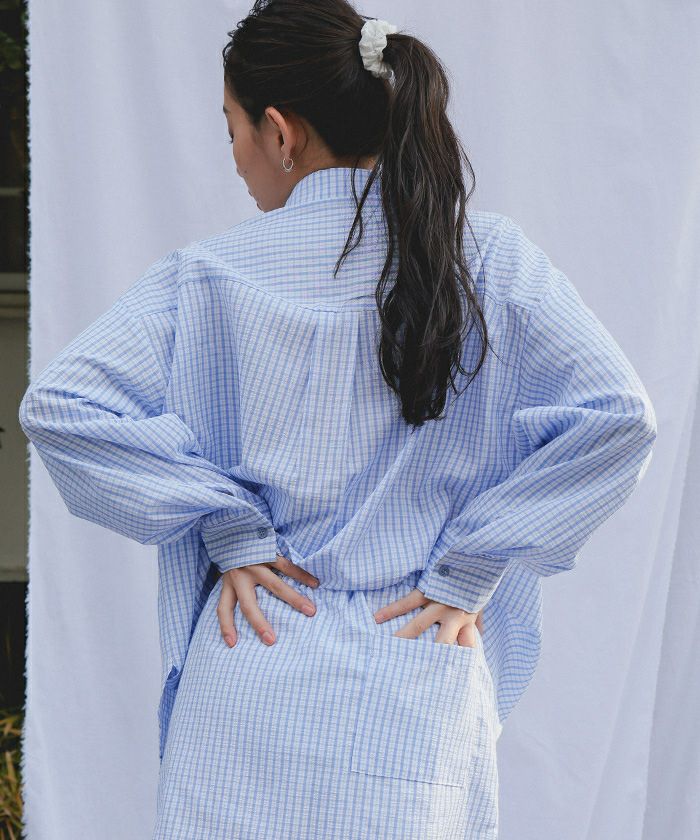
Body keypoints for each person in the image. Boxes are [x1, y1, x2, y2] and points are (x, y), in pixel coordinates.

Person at [17, 1, 657, 838]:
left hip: (252, 663)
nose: (236, 158)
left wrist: (226, 521)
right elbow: (617, 416)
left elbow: (61, 406)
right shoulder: (490, 259)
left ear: (281, 133)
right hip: (417, 681)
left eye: (233, 129)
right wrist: (470, 566)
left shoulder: (208, 275)